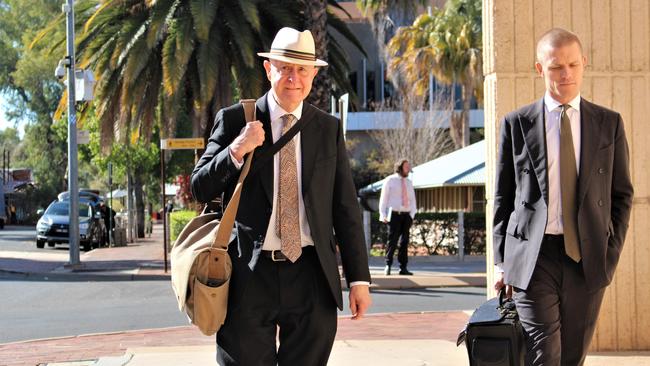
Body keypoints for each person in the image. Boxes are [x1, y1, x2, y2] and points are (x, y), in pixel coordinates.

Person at [191, 27, 372, 366]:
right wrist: (237, 149)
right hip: (248, 275)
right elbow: (199, 186)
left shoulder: (327, 129)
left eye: (302, 69)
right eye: (285, 67)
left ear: (314, 74)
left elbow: (344, 207)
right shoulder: (235, 120)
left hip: (311, 274)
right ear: (268, 68)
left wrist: (359, 279)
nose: (293, 78)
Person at [493, 28, 633, 365]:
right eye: (556, 66)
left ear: (584, 63)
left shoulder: (608, 123)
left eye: (572, 64)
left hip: (587, 258)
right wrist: (503, 262)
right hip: (534, 257)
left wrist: (608, 254)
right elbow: (503, 198)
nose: (565, 73)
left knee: (572, 356)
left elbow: (622, 194)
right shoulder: (517, 123)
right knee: (544, 354)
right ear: (540, 69)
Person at [378, 159, 416, 275]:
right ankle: (388, 265)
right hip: (394, 214)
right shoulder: (390, 180)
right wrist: (382, 214)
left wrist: (412, 214)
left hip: (406, 215)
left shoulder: (409, 182)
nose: (408, 169)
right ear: (400, 168)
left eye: (409, 167)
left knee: (404, 242)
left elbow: (412, 200)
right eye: (406, 167)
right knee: (393, 240)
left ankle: (403, 267)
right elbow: (383, 199)